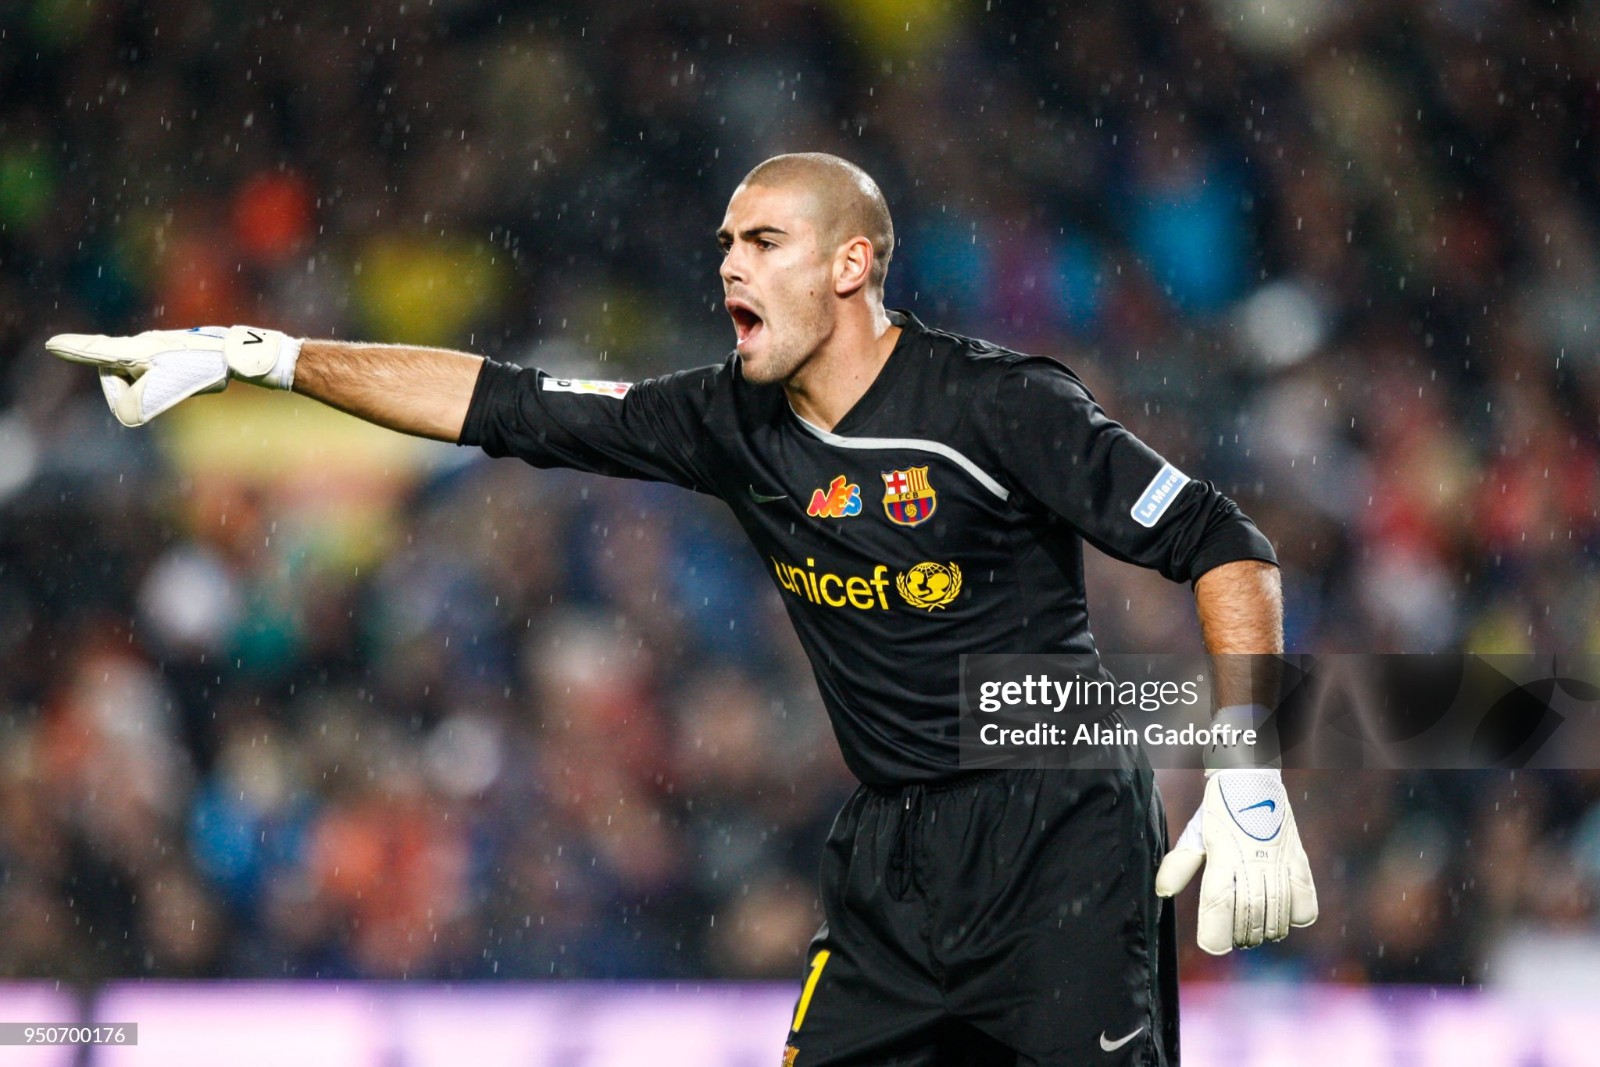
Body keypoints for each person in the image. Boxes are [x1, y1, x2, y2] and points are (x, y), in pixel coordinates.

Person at [48, 152, 1316, 1065]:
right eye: (721, 244)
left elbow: (1226, 544)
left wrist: (1248, 772)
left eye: (761, 241)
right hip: (893, 861)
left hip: (1062, 839)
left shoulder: (999, 407)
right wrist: (265, 354)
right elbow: (501, 401)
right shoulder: (726, 418)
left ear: (854, 263)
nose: (727, 265)